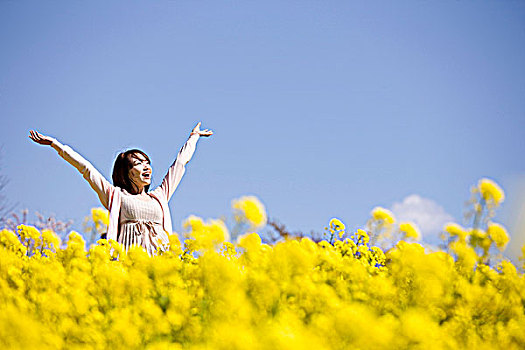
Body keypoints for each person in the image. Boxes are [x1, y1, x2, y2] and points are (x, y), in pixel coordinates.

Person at [28, 122, 212, 256]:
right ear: (126, 172)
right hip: (128, 261)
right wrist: (56, 145)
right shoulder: (115, 195)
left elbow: (180, 164)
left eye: (147, 163)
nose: (146, 167)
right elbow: (86, 169)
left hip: (161, 261)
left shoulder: (160, 196)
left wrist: (193, 137)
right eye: (139, 164)